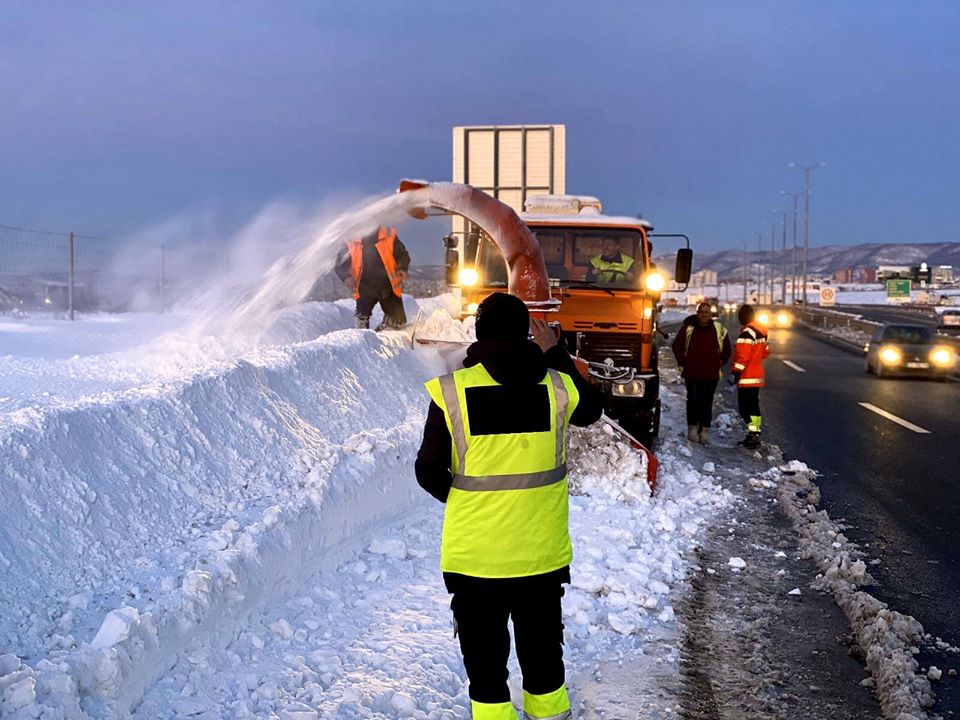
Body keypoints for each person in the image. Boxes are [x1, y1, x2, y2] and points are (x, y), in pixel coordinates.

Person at [415, 292, 602, 720]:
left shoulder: (452, 392)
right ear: (527, 334)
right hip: (540, 553)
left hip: (476, 556)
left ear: (479, 334)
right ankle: (551, 715)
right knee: (541, 654)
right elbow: (592, 411)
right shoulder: (557, 385)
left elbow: (428, 470)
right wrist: (557, 351)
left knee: (484, 662)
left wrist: (465, 500)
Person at [672, 301, 731, 444]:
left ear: (710, 314)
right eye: (701, 312)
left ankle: (704, 430)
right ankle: (692, 428)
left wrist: (720, 361)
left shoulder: (718, 329)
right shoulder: (688, 328)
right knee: (692, 400)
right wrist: (683, 362)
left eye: (706, 312)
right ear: (697, 313)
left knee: (707, 402)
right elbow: (677, 346)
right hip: (692, 372)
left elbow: (727, 349)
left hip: (711, 374)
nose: (704, 315)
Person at [335, 225, 410, 329]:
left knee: (398, 322)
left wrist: (401, 268)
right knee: (361, 320)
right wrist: (346, 277)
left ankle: (386, 332)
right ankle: (362, 341)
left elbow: (402, 255)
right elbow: (340, 263)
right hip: (364, 286)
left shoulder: (388, 234)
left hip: (388, 285)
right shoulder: (350, 239)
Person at [730, 304, 770, 449]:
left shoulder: (746, 333)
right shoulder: (761, 332)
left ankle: (753, 434)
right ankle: (755, 433)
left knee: (745, 408)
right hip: (757, 376)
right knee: (753, 407)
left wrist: (735, 372)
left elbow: (743, 357)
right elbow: (766, 352)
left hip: (747, 377)